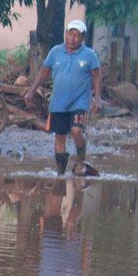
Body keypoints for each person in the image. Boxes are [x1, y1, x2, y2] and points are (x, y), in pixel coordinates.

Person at [24, 20, 102, 176]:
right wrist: (32, 91)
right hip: (58, 103)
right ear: (65, 34)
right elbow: (44, 72)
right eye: (70, 34)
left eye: (76, 35)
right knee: (59, 136)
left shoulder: (89, 55)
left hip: (79, 102)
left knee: (76, 131)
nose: (72, 38)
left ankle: (81, 162)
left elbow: (97, 77)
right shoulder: (55, 52)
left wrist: (97, 98)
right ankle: (60, 172)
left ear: (83, 37)